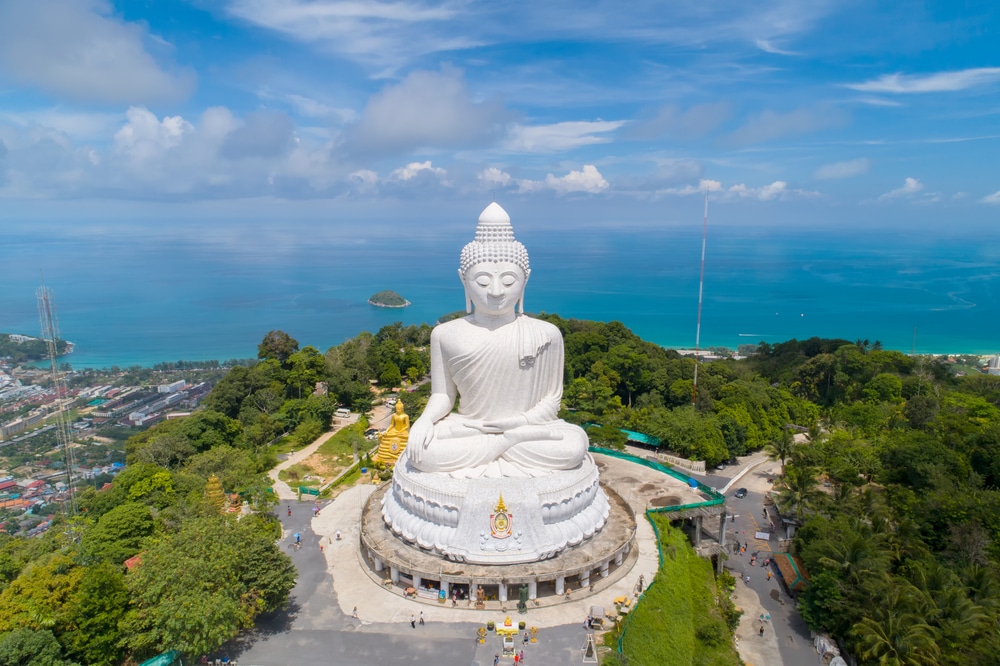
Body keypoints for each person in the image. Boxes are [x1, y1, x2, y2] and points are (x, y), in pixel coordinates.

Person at [404, 203, 589, 479]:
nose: (495, 291)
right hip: (470, 428)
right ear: (463, 281)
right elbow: (443, 395)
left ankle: (501, 444)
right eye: (482, 280)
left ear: (525, 280)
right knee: (422, 453)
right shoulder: (444, 334)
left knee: (574, 445)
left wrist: (518, 424)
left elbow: (552, 401)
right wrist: (423, 421)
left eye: (508, 280)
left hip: (525, 429)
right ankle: (503, 445)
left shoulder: (547, 334)